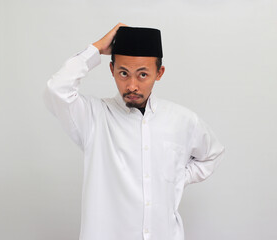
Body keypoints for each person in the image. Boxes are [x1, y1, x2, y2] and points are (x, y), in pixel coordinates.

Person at [43, 23, 225, 240]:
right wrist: (96, 49)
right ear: (112, 70)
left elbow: (211, 155)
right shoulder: (94, 117)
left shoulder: (182, 120)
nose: (131, 86)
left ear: (159, 73)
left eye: (142, 75)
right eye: (123, 73)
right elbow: (56, 90)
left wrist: (177, 177)